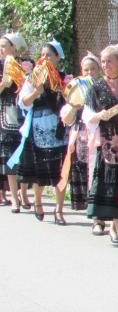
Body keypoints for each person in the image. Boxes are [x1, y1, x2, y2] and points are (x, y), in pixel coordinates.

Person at [15, 40, 68, 225]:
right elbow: (23, 103)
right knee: (40, 169)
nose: (45, 59)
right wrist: (37, 91)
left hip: (59, 129)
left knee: (62, 171)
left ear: (57, 59)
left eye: (49, 56)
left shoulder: (63, 78)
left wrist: (64, 91)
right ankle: (38, 202)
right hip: (38, 128)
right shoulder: (33, 78)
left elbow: (72, 102)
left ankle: (59, 210)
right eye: (43, 55)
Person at [84, 45, 118, 243]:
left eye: (110, 61)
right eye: (103, 62)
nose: (106, 65)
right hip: (107, 142)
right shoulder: (96, 87)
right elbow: (86, 114)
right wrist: (98, 115)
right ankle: (114, 224)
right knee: (110, 181)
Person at [59, 52, 102, 214]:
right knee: (81, 168)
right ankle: (86, 206)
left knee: (96, 169)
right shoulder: (76, 90)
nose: (89, 73)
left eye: (93, 69)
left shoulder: (102, 88)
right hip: (80, 136)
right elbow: (67, 119)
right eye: (86, 70)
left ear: (99, 71)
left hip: (98, 136)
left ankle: (97, 209)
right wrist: (74, 105)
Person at [0, 31, 29, 212]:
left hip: (24, 111)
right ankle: (13, 196)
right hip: (6, 113)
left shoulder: (25, 64)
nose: (2, 49)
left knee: (25, 154)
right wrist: (4, 83)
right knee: (10, 154)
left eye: (4, 46)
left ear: (14, 47)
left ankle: (23, 194)